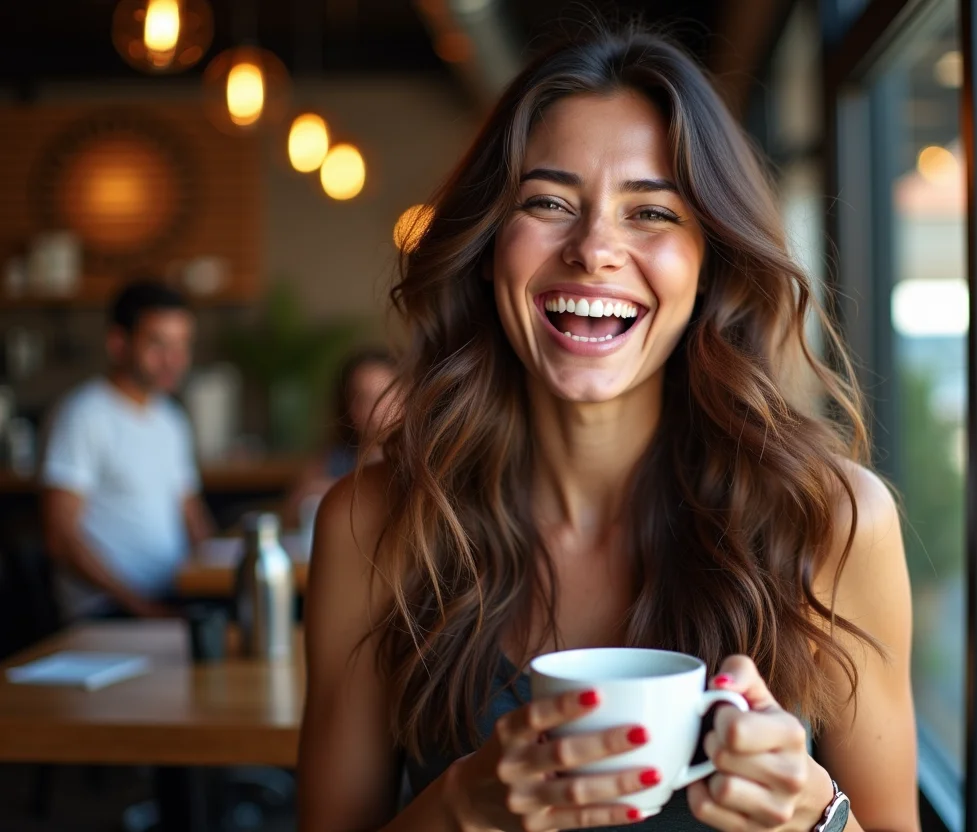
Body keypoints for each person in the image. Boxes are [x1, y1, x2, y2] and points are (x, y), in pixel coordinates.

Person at [299, 28, 917, 832]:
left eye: (652, 211)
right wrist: (462, 807)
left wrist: (816, 812)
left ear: (710, 264)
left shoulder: (834, 523)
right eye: (548, 203)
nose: (594, 250)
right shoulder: (369, 527)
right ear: (490, 248)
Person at [41, 280, 214, 619]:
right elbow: (61, 537)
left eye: (182, 345)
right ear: (118, 343)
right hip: (109, 610)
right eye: (158, 344)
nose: (174, 361)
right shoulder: (83, 415)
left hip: (173, 594)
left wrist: (221, 569)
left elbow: (191, 513)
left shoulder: (171, 418)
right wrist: (144, 609)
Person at [284, 347, 399, 520]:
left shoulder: (416, 460)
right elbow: (292, 510)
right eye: (360, 399)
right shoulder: (334, 458)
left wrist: (337, 491)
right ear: (346, 406)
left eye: (383, 397)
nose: (373, 410)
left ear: (406, 397)